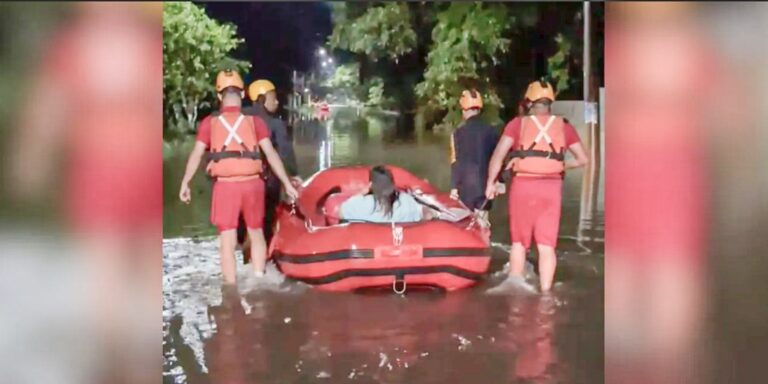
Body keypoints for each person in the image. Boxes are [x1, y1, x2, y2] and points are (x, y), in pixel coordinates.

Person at [179, 70, 298, 284]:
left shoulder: (209, 123)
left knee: (227, 239)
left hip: (226, 187)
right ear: (242, 94)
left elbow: (196, 154)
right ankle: (259, 279)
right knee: (256, 232)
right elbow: (271, 154)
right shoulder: (255, 122)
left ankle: (231, 288)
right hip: (253, 185)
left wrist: (185, 182)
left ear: (219, 96)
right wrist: (287, 183)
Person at [485, 81, 589, 292]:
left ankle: (515, 289)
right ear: (550, 103)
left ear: (529, 103)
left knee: (519, 244)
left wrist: (491, 183)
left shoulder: (517, 124)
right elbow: (583, 159)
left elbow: (498, 156)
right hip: (551, 190)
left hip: (523, 187)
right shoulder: (564, 126)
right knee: (546, 247)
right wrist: (561, 165)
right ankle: (546, 293)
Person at [237, 79, 301, 263]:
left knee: (243, 223)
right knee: (265, 221)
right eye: (273, 98)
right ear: (262, 99)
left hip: (236, 181)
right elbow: (285, 152)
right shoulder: (274, 124)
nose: (277, 102)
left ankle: (244, 254)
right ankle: (262, 259)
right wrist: (293, 175)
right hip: (265, 182)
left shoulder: (238, 119)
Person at [449, 89, 499, 224]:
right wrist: (498, 181)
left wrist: (454, 187)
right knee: (483, 225)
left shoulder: (457, 133)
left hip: (465, 190)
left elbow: (455, 161)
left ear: (464, 109)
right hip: (485, 188)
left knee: (466, 227)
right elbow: (497, 158)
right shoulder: (491, 130)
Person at [340, 166, 431, 223]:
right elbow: (428, 215)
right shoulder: (407, 201)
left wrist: (361, 193)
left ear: (371, 185)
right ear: (393, 185)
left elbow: (341, 214)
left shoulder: (359, 204)